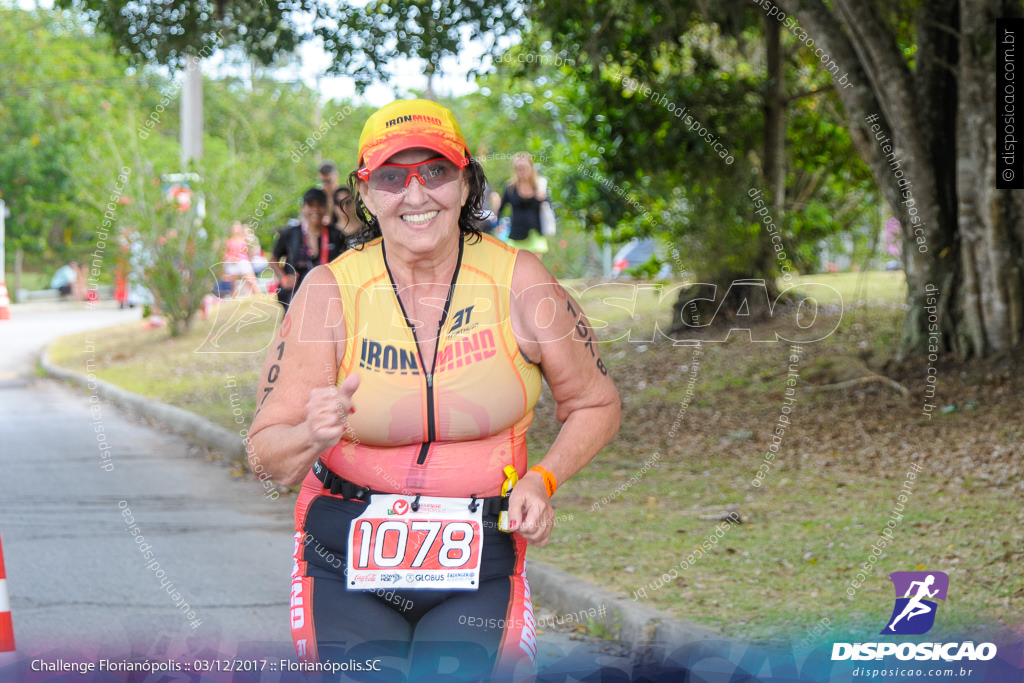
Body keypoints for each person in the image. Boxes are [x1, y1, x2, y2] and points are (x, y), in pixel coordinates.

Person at [247, 99, 620, 682]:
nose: (416, 195)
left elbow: (596, 403)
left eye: (436, 172)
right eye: (393, 178)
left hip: (481, 557)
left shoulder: (520, 279)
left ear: (466, 181)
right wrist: (307, 433)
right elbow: (263, 456)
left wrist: (543, 480)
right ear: (364, 196)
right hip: (342, 556)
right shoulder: (328, 292)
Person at [269, 188, 346, 309]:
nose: (315, 210)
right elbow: (273, 259)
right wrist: (284, 278)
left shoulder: (336, 235)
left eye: (320, 205)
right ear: (303, 208)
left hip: (326, 296)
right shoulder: (290, 234)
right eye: (310, 205)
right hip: (295, 296)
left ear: (326, 209)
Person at [496, 153, 551, 254]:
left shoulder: (539, 186)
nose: (521, 172)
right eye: (518, 169)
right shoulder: (510, 187)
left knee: (534, 266)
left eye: (524, 168)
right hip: (516, 235)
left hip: (535, 234)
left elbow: (549, 207)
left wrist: (543, 198)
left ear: (531, 168)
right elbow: (501, 208)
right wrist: (498, 225)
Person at [223, 221, 260, 297]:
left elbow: (251, 249)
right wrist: (230, 258)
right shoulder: (228, 241)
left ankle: (258, 295)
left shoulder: (244, 238)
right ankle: (234, 299)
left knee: (251, 280)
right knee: (233, 284)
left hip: (242, 261)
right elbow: (225, 253)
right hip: (232, 263)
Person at [320, 161, 341, 226]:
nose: (326, 185)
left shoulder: (343, 195)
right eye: (324, 181)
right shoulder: (319, 196)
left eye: (328, 181)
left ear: (337, 176)